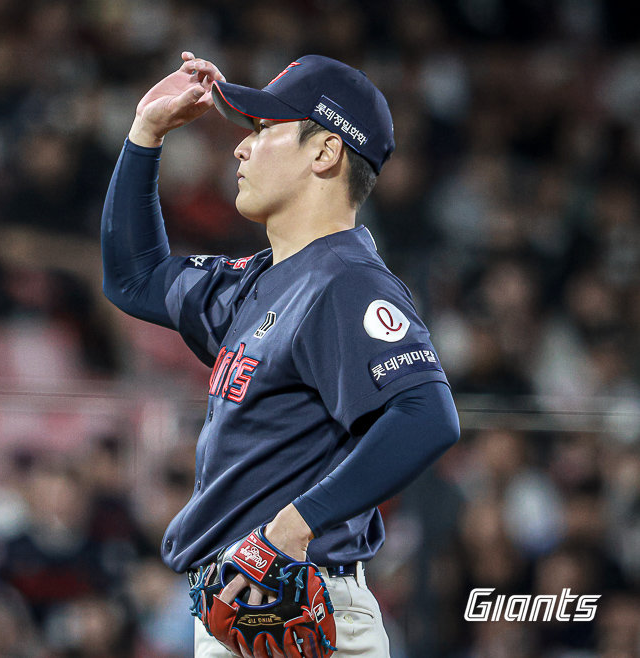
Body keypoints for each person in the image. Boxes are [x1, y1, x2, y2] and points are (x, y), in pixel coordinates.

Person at [101, 51, 461, 656]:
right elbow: (133, 279)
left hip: (297, 605)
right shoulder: (259, 281)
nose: (241, 148)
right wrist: (145, 134)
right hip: (246, 605)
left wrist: (293, 526)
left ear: (325, 152)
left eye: (266, 131)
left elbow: (427, 416)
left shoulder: (345, 280)